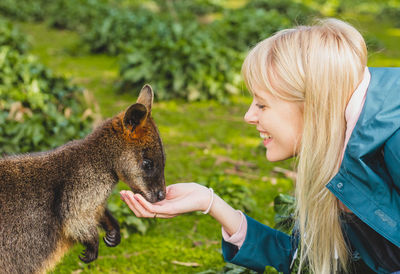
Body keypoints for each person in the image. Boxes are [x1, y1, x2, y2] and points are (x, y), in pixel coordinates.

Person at [120, 18, 400, 274]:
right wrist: (211, 203)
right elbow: (313, 261)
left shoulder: (394, 144)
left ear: (312, 104)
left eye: (262, 104)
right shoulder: (337, 144)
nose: (248, 116)